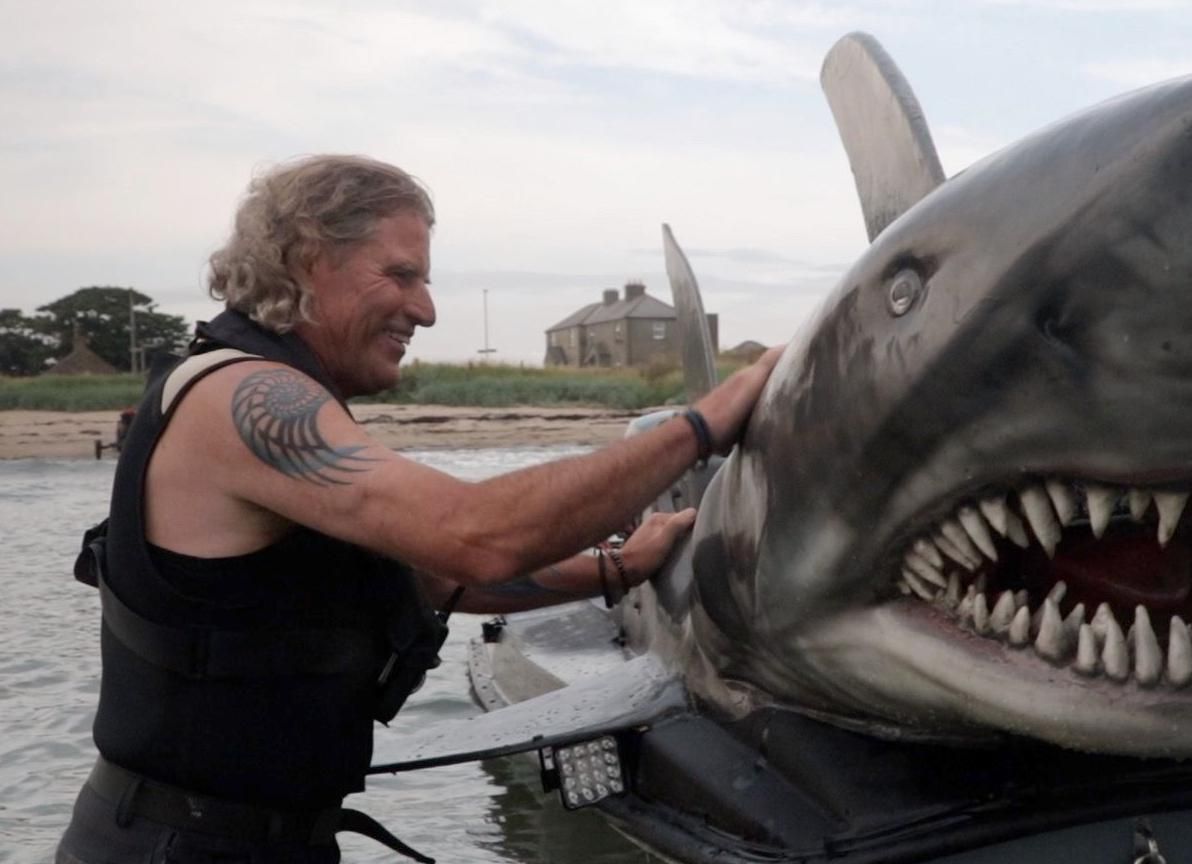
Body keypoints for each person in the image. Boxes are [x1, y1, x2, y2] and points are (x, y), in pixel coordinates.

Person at [57, 154, 782, 864]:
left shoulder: (287, 404)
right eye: (400, 275)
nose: (426, 310)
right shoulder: (241, 399)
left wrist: (620, 568)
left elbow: (439, 579)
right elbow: (478, 538)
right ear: (308, 258)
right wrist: (704, 424)